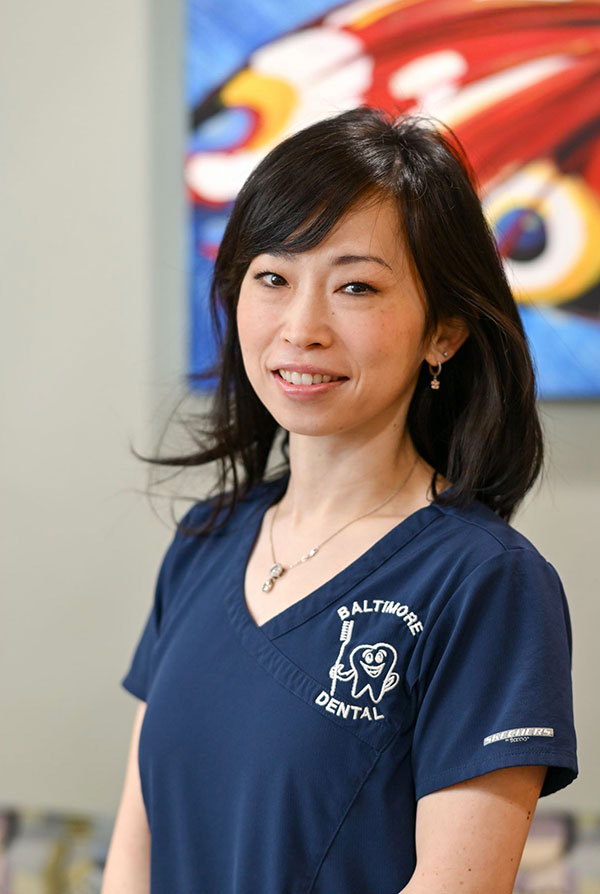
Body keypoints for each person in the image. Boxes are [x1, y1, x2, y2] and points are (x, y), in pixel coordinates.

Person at [102, 106, 578, 894]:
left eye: (355, 285)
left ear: (444, 332)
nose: (302, 328)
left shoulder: (487, 583)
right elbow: (134, 851)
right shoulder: (205, 539)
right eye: (273, 278)